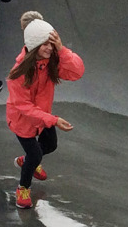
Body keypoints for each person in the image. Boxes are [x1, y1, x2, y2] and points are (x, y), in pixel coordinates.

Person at [7, 17, 85, 210]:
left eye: (52, 43)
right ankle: (23, 188)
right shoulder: (19, 72)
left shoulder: (50, 62)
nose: (49, 48)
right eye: (45, 45)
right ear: (33, 46)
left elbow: (77, 72)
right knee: (35, 154)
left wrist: (62, 49)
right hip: (22, 120)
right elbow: (23, 106)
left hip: (43, 116)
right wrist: (54, 120)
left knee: (50, 146)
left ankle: (26, 162)